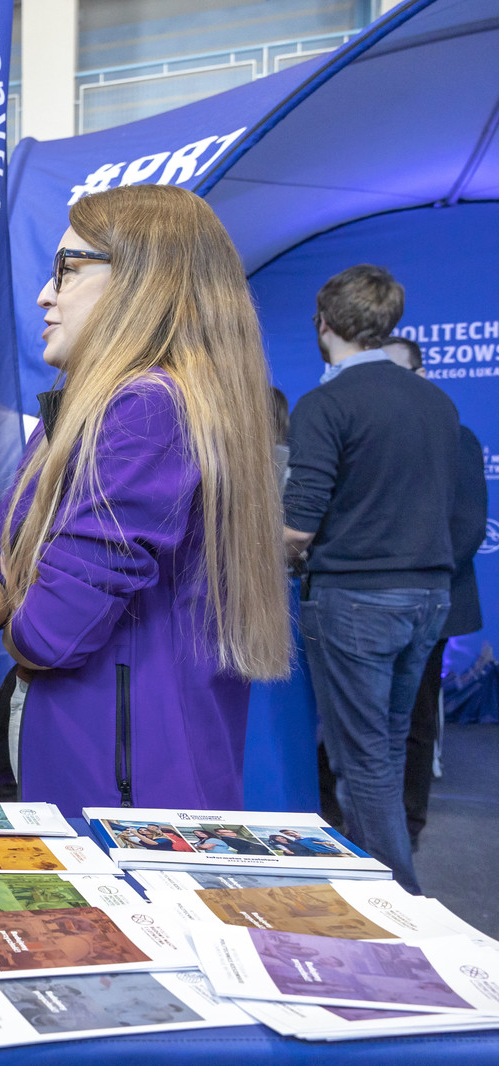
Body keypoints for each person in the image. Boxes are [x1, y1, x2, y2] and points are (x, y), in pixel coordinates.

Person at [0, 183, 291, 813]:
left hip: (120, 781)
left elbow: (50, 634)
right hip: (97, 758)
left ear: (144, 281)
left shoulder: (148, 408)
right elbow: (4, 550)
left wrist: (8, 611)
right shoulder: (88, 409)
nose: (46, 295)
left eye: (68, 270)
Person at [284, 265, 460, 893]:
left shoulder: (325, 403)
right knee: (384, 752)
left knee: (362, 765)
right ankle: (385, 895)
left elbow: (297, 525)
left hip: (357, 598)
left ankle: (400, 902)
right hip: (428, 597)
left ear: (324, 322)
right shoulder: (436, 402)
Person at [380, 334, 486, 850]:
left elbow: (467, 526)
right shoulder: (374, 434)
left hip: (432, 600)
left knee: (416, 720)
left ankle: (409, 823)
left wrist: (415, 579)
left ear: (422, 375)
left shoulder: (456, 436)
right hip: (371, 600)